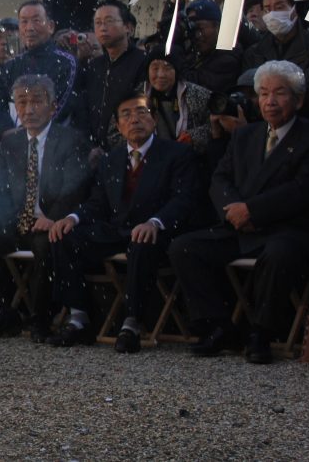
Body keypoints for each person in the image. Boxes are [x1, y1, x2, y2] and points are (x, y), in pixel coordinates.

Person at [169, 61, 309, 364]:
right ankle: (221, 325)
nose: (270, 101)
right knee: (184, 247)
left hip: (287, 228)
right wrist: (234, 210)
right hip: (240, 224)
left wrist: (253, 210)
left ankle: (262, 332)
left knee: (279, 254)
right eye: (263, 94)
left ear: (298, 99)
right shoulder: (245, 135)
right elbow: (220, 179)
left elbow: (303, 190)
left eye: (279, 93)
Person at [48, 90, 198, 353]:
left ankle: (132, 323)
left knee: (142, 242)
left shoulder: (176, 154)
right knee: (65, 236)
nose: (134, 119)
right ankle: (78, 316)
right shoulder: (111, 159)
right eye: (126, 115)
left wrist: (155, 222)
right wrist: (72, 217)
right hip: (118, 228)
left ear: (153, 119)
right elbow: (98, 203)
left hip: (157, 230)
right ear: (118, 126)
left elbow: (183, 200)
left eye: (141, 112)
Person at [0, 75, 91, 342]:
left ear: (52, 106)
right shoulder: (11, 141)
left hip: (51, 221)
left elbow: (77, 185)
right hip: (16, 222)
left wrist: (54, 216)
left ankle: (41, 319)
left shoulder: (70, 139)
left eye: (36, 102)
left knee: (46, 244)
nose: (28, 109)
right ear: (15, 108)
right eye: (22, 102)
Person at [0, 1, 78, 140]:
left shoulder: (67, 62)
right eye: (24, 22)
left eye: (36, 21)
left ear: (50, 26)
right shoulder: (11, 65)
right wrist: (6, 132)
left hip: (52, 144)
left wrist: (27, 134)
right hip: (12, 146)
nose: (29, 28)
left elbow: (62, 106)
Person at [73, 0, 147, 150]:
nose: (102, 28)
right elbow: (83, 110)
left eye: (109, 21)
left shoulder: (143, 62)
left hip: (130, 148)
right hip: (92, 151)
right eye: (98, 23)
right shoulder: (94, 66)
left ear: (128, 27)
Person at [242, 0, 309, 117]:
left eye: (279, 7)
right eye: (267, 9)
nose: (273, 14)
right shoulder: (254, 53)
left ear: (294, 9)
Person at [143, 46, 211, 154]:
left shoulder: (197, 94)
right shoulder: (137, 97)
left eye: (167, 68)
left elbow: (215, 126)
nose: (161, 75)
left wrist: (193, 137)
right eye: (155, 68)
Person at [183, 0, 242, 96]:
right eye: (193, 29)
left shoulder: (228, 57)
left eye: (200, 28)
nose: (196, 35)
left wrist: (176, 57)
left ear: (218, 27)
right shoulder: (196, 54)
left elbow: (194, 87)